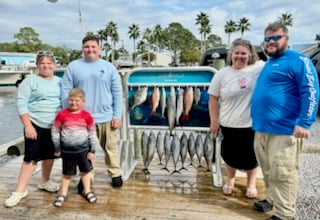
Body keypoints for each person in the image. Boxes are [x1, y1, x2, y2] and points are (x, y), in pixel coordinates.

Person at [251, 21, 319, 220]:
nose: (270, 42)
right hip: (262, 129)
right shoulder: (268, 63)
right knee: (269, 169)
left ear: (286, 39)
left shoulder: (299, 60)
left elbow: (311, 91)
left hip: (285, 129)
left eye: (275, 38)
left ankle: (284, 213)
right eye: (267, 39)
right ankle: (271, 200)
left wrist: (305, 122)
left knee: (284, 172)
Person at [61, 35, 123, 190]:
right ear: (82, 49)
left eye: (93, 47)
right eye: (86, 47)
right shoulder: (73, 67)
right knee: (84, 151)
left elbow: (117, 93)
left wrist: (117, 115)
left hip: (106, 117)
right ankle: (87, 176)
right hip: (82, 119)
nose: (90, 49)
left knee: (111, 147)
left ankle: (115, 174)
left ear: (99, 49)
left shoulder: (109, 67)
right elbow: (65, 92)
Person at [208, 38, 264, 199]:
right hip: (228, 123)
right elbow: (213, 99)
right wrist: (214, 121)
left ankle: (251, 184)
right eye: (236, 53)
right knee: (229, 155)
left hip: (251, 124)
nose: (240, 56)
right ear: (231, 55)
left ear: (250, 55)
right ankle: (230, 180)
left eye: (244, 53)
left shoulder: (259, 68)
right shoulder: (222, 74)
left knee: (252, 157)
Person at [4, 51, 61, 208]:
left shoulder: (59, 81)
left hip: (54, 125)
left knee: (50, 155)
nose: (46, 65)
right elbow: (21, 103)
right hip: (35, 124)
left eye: (49, 63)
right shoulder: (29, 81)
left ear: (54, 65)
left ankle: (45, 180)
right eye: (42, 62)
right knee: (31, 158)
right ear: (37, 65)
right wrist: (27, 125)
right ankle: (20, 190)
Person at [52, 88, 99, 207]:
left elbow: (92, 133)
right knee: (66, 173)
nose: (74, 103)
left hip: (84, 151)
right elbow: (55, 131)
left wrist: (92, 150)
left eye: (77, 100)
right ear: (68, 100)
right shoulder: (61, 114)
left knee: (85, 172)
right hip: (67, 151)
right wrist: (57, 148)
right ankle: (63, 193)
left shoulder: (87, 116)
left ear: (83, 101)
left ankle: (87, 191)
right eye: (71, 100)